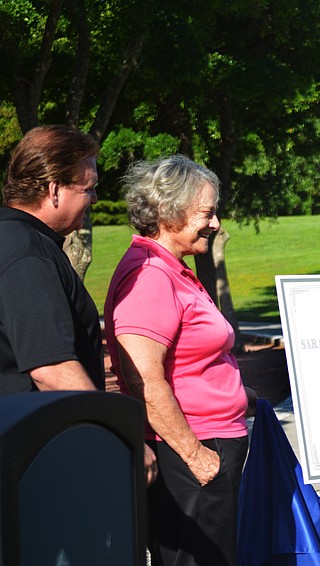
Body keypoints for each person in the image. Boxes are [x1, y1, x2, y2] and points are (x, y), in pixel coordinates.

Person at [104, 155, 255, 566]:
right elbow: (143, 378)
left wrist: (242, 395)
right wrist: (195, 456)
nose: (216, 223)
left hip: (208, 445)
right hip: (191, 455)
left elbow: (190, 358)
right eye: (206, 213)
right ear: (170, 211)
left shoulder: (172, 269)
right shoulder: (151, 276)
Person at [0, 125, 157, 485]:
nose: (96, 199)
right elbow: (51, 368)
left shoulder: (15, 240)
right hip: (32, 464)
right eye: (88, 188)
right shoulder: (27, 253)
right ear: (53, 189)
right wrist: (119, 437)